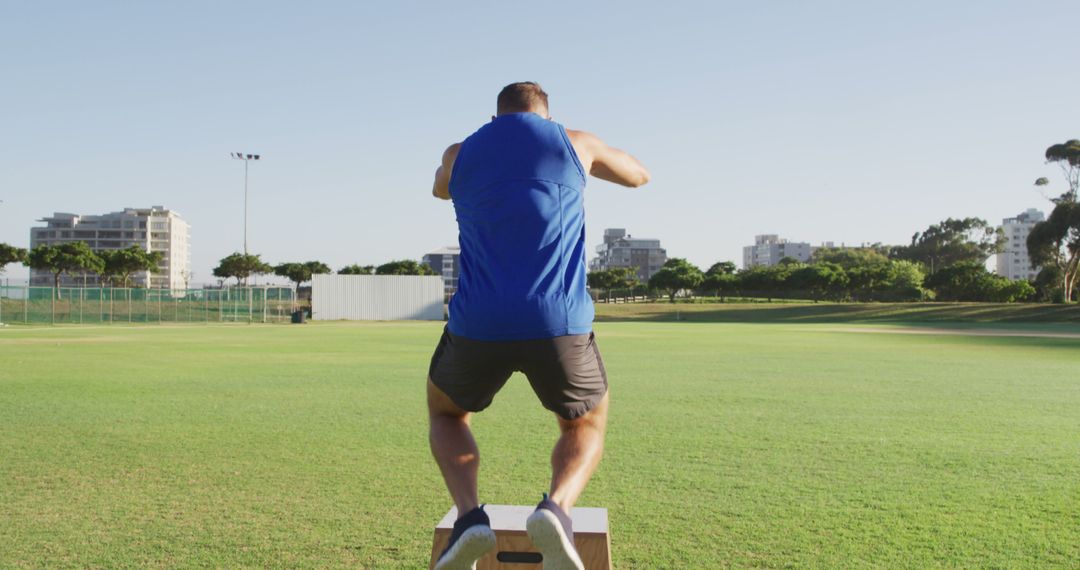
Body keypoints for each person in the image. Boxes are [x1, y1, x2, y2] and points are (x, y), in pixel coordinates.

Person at [428, 81, 649, 570]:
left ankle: (469, 518)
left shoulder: (461, 151)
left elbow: (439, 187)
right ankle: (556, 510)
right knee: (585, 421)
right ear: (545, 114)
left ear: (495, 117)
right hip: (558, 320)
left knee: (447, 415)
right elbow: (638, 176)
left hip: (478, 321)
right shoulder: (573, 141)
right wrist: (583, 153)